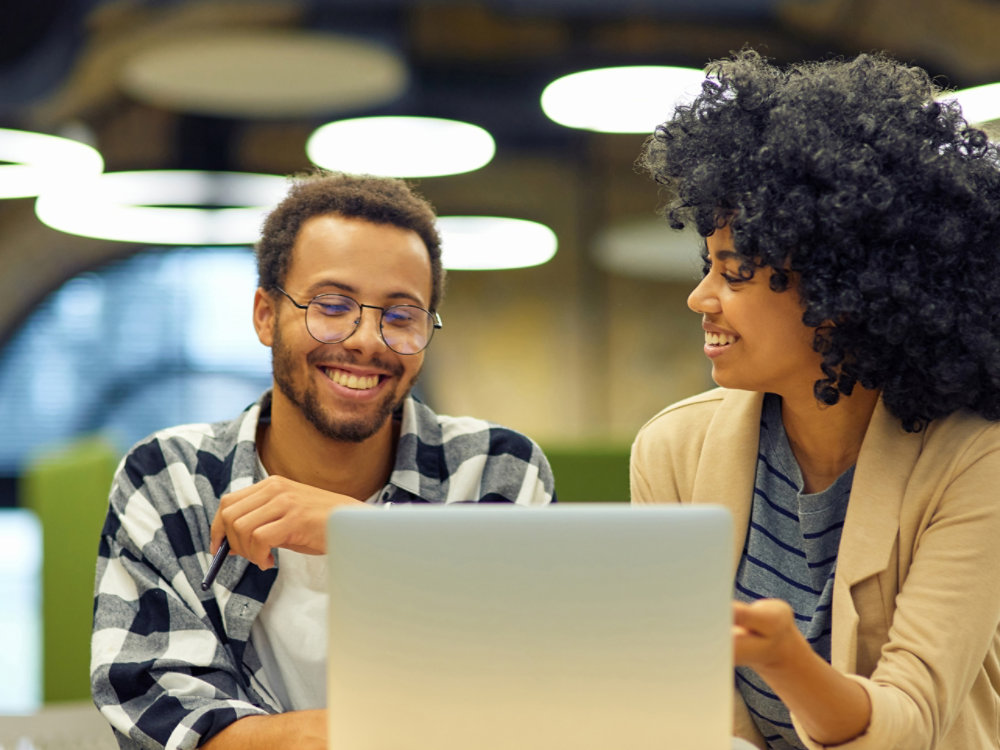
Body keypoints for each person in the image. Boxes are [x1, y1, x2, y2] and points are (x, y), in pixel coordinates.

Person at [90, 171, 556, 749]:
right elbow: (168, 727)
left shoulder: (494, 468)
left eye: (402, 314)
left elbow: (531, 697)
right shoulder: (170, 480)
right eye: (332, 305)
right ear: (265, 315)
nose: (367, 339)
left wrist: (358, 531)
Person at [631, 50, 1000, 749]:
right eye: (706, 266)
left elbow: (911, 720)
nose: (699, 298)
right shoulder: (672, 452)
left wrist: (784, 660)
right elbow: (695, 704)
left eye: (735, 273)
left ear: (841, 294)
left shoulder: (975, 459)